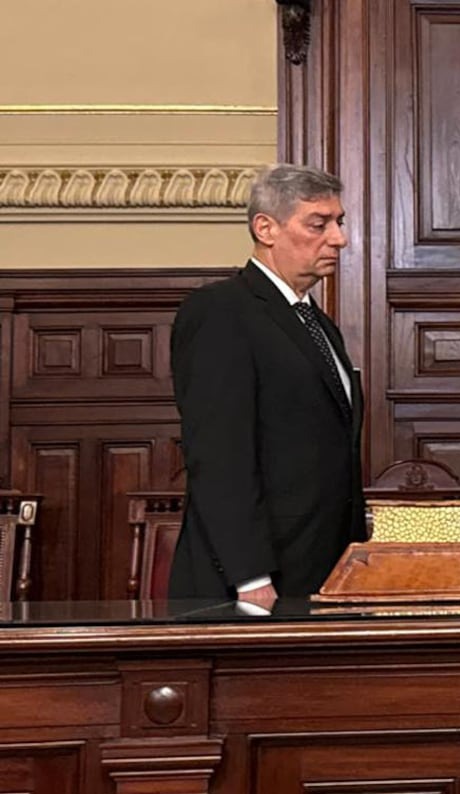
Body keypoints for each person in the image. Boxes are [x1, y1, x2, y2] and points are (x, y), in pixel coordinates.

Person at [168, 163, 365, 607]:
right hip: (255, 586)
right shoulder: (221, 312)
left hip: (323, 573)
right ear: (265, 228)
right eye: (319, 224)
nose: (339, 238)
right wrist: (250, 577)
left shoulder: (318, 324)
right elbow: (219, 455)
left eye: (339, 222)